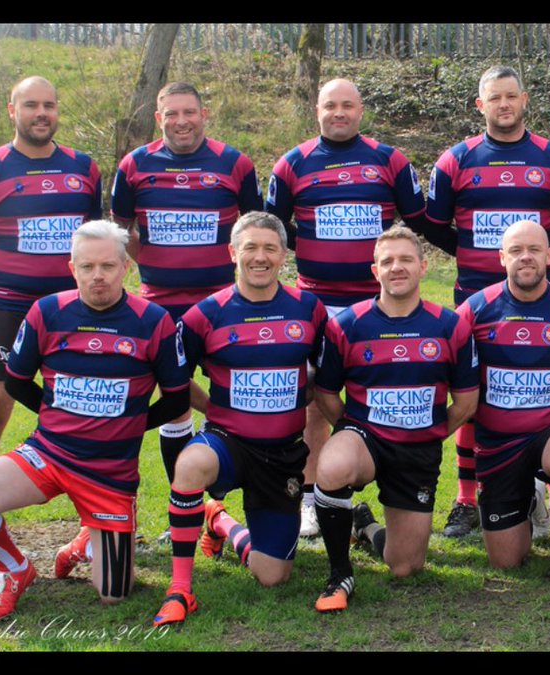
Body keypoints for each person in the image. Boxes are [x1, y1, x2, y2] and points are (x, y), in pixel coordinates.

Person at [0, 220, 188, 620]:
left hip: (109, 475)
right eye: (87, 266)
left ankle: (82, 546)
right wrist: (55, 416)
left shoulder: (154, 320)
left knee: (114, 594)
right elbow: (17, 382)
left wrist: (123, 426)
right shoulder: (48, 311)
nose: (98, 276)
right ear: (71, 267)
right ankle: (15, 569)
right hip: (48, 455)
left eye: (107, 266)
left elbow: (176, 400)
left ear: (126, 266)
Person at [0, 76, 103, 575]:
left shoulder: (84, 168)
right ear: (11, 109)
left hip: (71, 314)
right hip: (7, 312)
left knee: (89, 414)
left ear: (57, 111)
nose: (41, 113)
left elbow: (95, 243)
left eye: (49, 105)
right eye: (30, 105)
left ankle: (97, 526)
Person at [425, 65, 550, 538]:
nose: (504, 105)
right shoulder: (456, 159)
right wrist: (477, 253)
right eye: (494, 98)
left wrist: (533, 256)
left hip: (541, 299)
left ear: (524, 99)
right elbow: (435, 225)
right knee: (476, 395)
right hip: (474, 295)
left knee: (545, 385)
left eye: (511, 96)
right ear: (481, 105)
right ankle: (466, 499)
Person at [267, 78, 428, 536]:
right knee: (317, 400)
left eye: (348, 106)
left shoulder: (389, 159)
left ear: (361, 110)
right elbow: (276, 230)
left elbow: (417, 222)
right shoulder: (292, 163)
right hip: (317, 302)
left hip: (377, 305)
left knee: (379, 390)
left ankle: (381, 485)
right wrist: (316, 245)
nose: (339, 113)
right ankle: (315, 495)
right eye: (330, 105)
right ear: (317, 110)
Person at [153, 212, 327, 627]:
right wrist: (210, 409)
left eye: (270, 248)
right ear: (233, 253)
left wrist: (296, 394)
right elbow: (172, 379)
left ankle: (219, 520)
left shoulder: (308, 308)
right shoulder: (205, 314)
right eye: (250, 247)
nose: (260, 257)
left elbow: (327, 372)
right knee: (191, 464)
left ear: (284, 255)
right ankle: (180, 588)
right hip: (228, 441)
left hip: (283, 455)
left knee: (272, 577)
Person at [310, 226, 478, 612]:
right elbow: (325, 394)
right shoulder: (347, 325)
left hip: (417, 451)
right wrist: (351, 431)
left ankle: (366, 526)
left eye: (405, 260)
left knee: (405, 567)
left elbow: (466, 402)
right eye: (387, 261)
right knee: (334, 464)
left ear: (423, 266)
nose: (396, 267)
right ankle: (339, 573)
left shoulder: (450, 325)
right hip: (366, 438)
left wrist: (428, 433)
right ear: (375, 271)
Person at [111, 81, 263, 497]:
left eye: (189, 112)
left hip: (222, 307)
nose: (181, 122)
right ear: (159, 118)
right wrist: (158, 262)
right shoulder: (134, 165)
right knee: (174, 407)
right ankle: (187, 503)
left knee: (239, 397)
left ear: (204, 115)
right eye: (171, 114)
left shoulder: (235, 163)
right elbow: (118, 234)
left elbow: (255, 232)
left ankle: (247, 497)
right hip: (159, 308)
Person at [456, 220, 550, 591]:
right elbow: (454, 380)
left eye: (535, 250)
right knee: (506, 561)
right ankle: (534, 498)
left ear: (549, 256)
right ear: (502, 257)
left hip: (549, 433)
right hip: (497, 444)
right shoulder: (474, 311)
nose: (526, 258)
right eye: (517, 251)